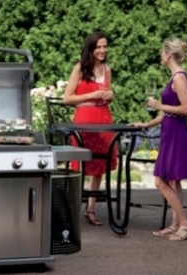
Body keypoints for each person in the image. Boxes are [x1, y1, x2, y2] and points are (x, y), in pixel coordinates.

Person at [130, 38, 187, 241]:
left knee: (160, 182)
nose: (160, 55)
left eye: (162, 52)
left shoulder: (178, 78)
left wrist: (159, 105)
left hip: (177, 135)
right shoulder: (174, 77)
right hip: (171, 133)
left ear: (168, 55)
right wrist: (146, 124)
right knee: (173, 181)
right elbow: (169, 113)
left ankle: (185, 223)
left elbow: (186, 109)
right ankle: (176, 224)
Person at [63, 31, 116, 226]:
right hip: (84, 119)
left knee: (99, 167)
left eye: (105, 46)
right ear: (91, 48)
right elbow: (67, 98)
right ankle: (71, 208)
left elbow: (107, 96)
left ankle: (91, 209)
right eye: (99, 47)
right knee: (79, 165)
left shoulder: (106, 70)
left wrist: (109, 96)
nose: (102, 50)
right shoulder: (80, 68)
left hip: (103, 119)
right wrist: (91, 94)